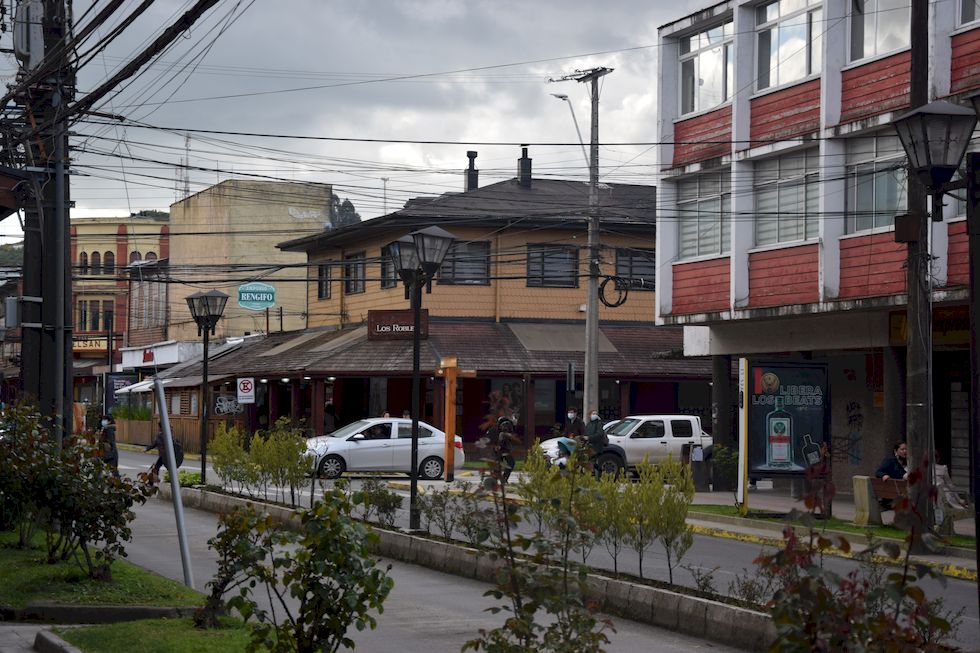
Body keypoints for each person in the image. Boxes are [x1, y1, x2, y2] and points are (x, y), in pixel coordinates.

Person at [490, 415, 516, 484]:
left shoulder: (499, 428)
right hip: (502, 449)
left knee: (498, 464)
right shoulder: (504, 428)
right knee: (510, 463)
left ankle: (497, 480)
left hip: (501, 449)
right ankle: (500, 479)